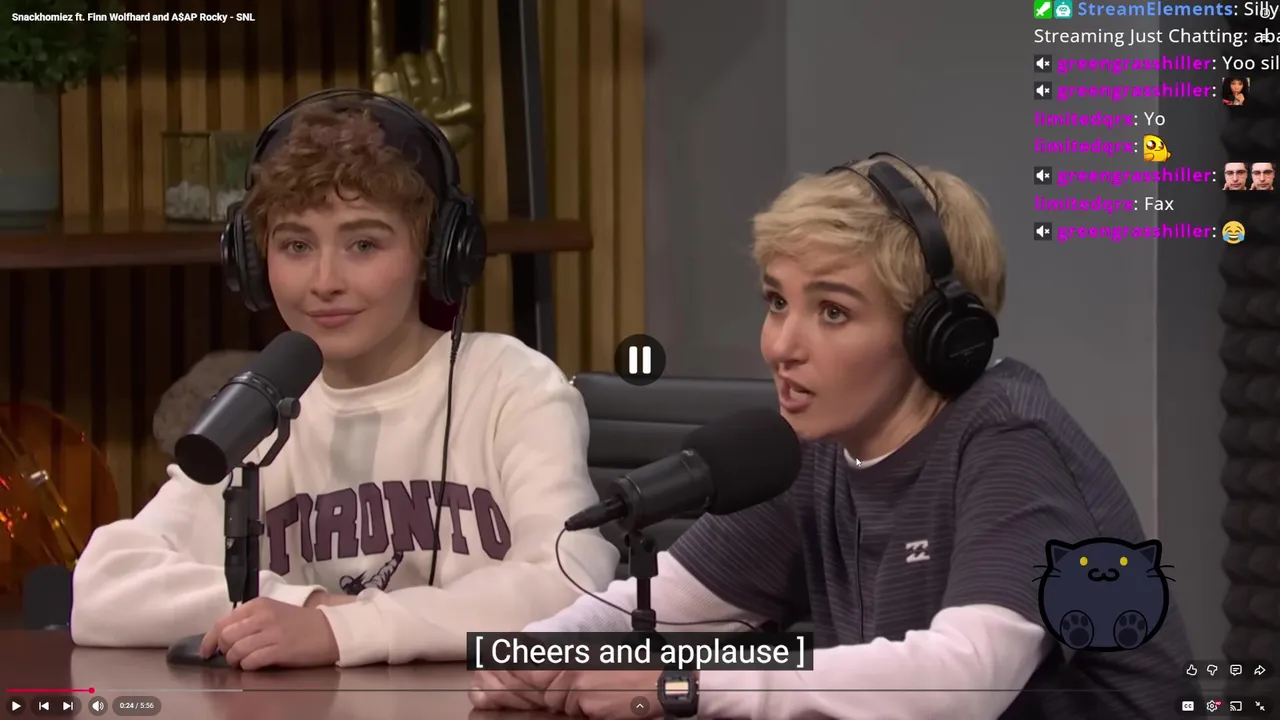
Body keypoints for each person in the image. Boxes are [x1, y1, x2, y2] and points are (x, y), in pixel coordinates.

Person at [470, 156, 1193, 719]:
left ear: (938, 336)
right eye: (777, 301)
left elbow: (964, 678)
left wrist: (683, 681)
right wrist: (531, 652)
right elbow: (661, 605)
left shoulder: (1009, 441)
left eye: (833, 312)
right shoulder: (816, 447)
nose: (781, 346)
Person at [70, 91, 619, 670]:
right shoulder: (261, 408)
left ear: (434, 254)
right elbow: (105, 588)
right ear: (254, 263)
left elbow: (573, 583)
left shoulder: (511, 387)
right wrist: (299, 608)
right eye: (296, 245)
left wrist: (342, 629)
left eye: (363, 244)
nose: (325, 280)